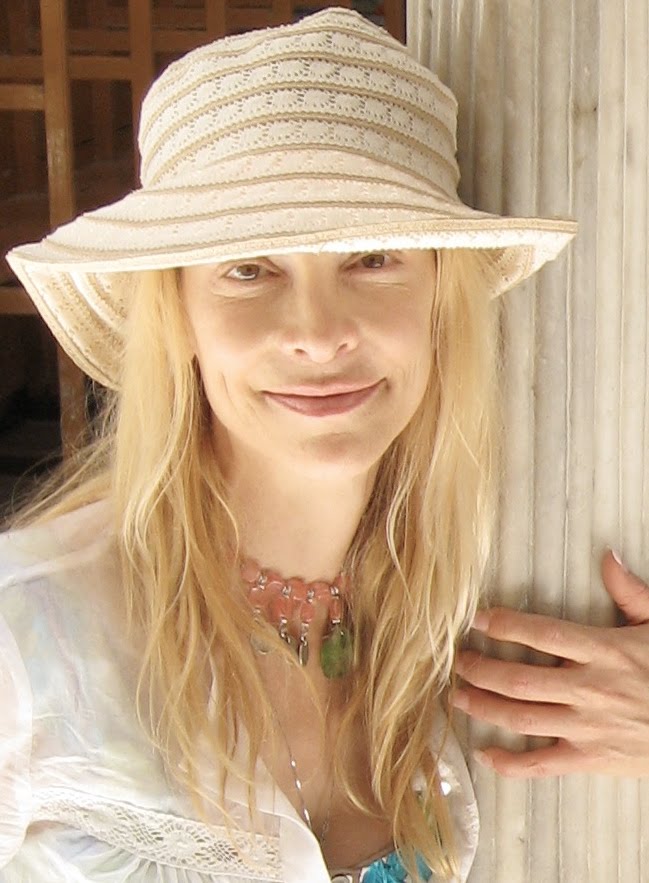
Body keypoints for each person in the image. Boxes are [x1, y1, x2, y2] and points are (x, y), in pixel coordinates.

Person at [0, 9, 578, 883]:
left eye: (372, 258)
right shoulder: (29, 633)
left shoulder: (445, 610)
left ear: (439, 300)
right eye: (248, 269)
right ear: (178, 317)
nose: (316, 332)